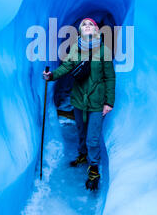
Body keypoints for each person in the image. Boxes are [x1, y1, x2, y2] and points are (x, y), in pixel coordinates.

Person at [42, 18, 115, 191]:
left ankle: (94, 168)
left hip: (97, 101)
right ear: (81, 31)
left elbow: (110, 77)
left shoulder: (104, 50)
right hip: (79, 99)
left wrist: (109, 102)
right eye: (84, 25)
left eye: (91, 25)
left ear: (96, 29)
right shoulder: (76, 48)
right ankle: (82, 155)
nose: (88, 27)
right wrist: (51, 76)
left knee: (93, 137)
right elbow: (66, 67)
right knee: (81, 131)